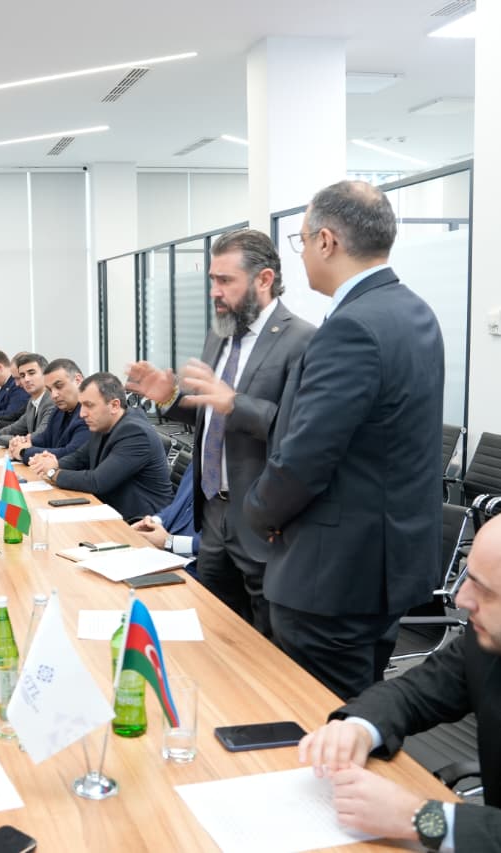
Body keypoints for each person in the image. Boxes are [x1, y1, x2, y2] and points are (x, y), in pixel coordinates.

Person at [298, 505, 501, 851]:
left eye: (484, 590)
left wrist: (422, 818)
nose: (461, 599)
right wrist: (358, 728)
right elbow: (417, 691)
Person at [242, 180, 445, 699]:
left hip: (329, 574)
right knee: (360, 704)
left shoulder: (351, 328)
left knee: (323, 716)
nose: (302, 254)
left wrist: (260, 513)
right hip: (383, 565)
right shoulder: (414, 312)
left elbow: (306, 455)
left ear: (327, 241)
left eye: (302, 241)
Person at [126, 229, 314, 638]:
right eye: (212, 279)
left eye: (225, 280)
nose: (214, 291)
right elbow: (213, 419)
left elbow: (302, 431)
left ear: (264, 279)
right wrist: (170, 398)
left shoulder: (302, 340)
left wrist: (236, 403)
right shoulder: (220, 334)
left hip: (263, 521)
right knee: (213, 633)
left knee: (265, 644)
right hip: (213, 515)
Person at [28, 372, 172, 520]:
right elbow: (79, 458)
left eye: (89, 405)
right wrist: (53, 463)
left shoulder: (135, 432)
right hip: (109, 510)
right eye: (81, 405)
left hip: (139, 522)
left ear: (114, 405)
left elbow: (97, 482)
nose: (82, 414)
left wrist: (52, 472)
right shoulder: (104, 423)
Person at [9, 358, 90, 463]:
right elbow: (44, 439)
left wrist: (23, 452)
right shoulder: (58, 411)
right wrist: (21, 443)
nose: (54, 395)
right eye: (50, 390)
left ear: (78, 380)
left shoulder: (89, 414)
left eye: (59, 386)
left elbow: (71, 454)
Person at [131, 471, 199, 558]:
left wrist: (169, 542)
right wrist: (154, 522)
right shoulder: (200, 464)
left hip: (195, 561)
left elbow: (214, 547)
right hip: (166, 549)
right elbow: (178, 504)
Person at [0, 353, 53, 446]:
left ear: (45, 374)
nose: (26, 379)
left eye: (31, 373)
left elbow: (38, 437)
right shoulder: (32, 401)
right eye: (22, 375)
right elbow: (16, 428)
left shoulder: (52, 401)